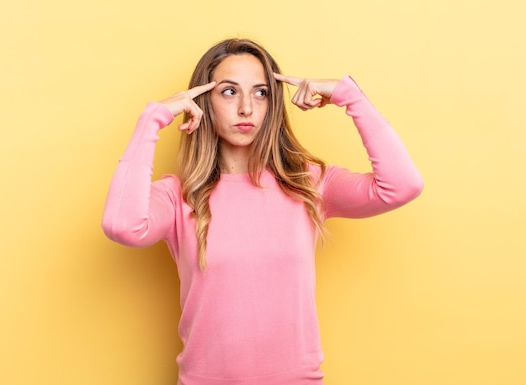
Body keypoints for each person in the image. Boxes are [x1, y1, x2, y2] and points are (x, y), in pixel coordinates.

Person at [102, 38, 423, 385]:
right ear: (203, 102)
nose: (246, 108)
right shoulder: (178, 196)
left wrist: (351, 97)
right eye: (228, 92)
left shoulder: (309, 184)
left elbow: (402, 185)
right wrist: (151, 120)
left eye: (260, 93)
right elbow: (122, 226)